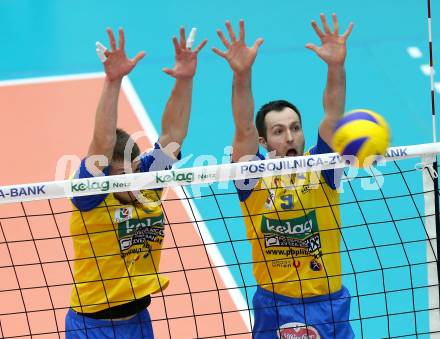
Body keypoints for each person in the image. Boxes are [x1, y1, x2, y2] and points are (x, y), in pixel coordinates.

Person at [212, 15, 354, 338]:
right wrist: (242, 74)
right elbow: (244, 127)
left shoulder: (322, 168)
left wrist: (335, 67)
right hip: (275, 307)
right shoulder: (252, 178)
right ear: (263, 142)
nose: (290, 137)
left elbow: (333, 114)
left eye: (295, 128)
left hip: (328, 305)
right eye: (279, 131)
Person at [65, 27, 207, 338]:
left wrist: (185, 79)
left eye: (133, 171)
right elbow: (101, 142)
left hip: (139, 322)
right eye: (120, 178)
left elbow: (173, 136)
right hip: (93, 327)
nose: (131, 182)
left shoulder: (147, 182)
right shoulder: (91, 197)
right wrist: (112, 81)